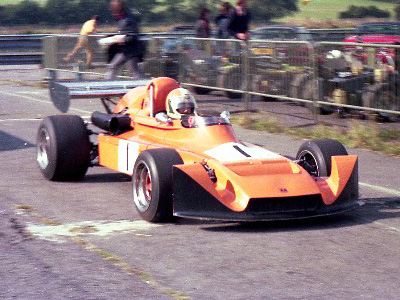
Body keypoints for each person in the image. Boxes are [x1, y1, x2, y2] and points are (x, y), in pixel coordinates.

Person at [106, 0, 144, 80]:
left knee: (134, 72)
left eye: (112, 8)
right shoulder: (123, 18)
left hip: (131, 51)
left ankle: (142, 87)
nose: (111, 10)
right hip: (126, 51)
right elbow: (125, 33)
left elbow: (133, 36)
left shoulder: (128, 20)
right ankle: (108, 86)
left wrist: (121, 40)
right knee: (113, 67)